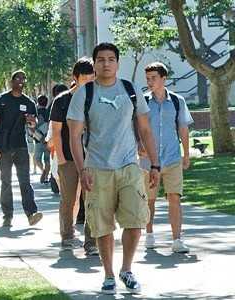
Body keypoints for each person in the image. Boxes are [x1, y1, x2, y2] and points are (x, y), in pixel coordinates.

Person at [67, 43, 160, 295]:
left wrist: (154, 163)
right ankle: (108, 274)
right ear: (94, 64)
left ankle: (126, 269)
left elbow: (146, 129)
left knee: (136, 220)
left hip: (129, 165)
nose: (106, 64)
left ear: (117, 63)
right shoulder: (83, 94)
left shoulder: (130, 90)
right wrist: (82, 168)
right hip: (97, 168)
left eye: (110, 59)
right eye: (101, 60)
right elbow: (74, 137)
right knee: (102, 225)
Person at [142, 62, 193, 254]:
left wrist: (186, 154)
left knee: (174, 197)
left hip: (172, 157)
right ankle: (149, 234)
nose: (149, 82)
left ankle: (177, 239)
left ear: (164, 78)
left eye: (153, 78)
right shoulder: (143, 102)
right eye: (147, 78)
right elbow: (136, 127)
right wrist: (139, 146)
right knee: (149, 200)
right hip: (149, 160)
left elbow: (183, 128)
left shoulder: (178, 101)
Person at [50, 58, 98, 255]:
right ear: (75, 78)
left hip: (93, 159)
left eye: (92, 79)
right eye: (85, 79)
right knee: (69, 199)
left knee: (93, 200)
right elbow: (56, 132)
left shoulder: (96, 98)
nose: (89, 83)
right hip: (68, 159)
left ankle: (92, 241)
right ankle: (68, 236)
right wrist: (61, 158)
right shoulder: (62, 101)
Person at [0, 70, 43, 229]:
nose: (20, 80)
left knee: (24, 181)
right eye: (17, 78)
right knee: (6, 181)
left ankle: (31, 213)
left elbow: (33, 126)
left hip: (21, 145)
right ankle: (7, 216)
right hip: (4, 146)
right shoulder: (0, 100)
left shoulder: (29, 103)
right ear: (11, 81)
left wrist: (32, 123)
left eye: (23, 78)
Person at [33, 95, 51, 184]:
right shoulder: (49, 112)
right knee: (47, 160)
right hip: (48, 138)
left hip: (37, 137)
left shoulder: (35, 112)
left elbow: (32, 126)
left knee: (37, 159)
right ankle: (46, 176)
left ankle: (43, 170)